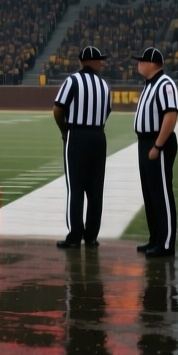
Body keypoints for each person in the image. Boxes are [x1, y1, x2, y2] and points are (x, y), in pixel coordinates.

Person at [54, 46, 113, 249]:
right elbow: (107, 111)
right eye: (100, 60)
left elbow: (57, 109)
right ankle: (91, 236)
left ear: (80, 62)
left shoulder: (72, 81)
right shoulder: (104, 86)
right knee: (95, 189)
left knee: (76, 187)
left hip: (77, 135)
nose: (102, 63)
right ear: (91, 61)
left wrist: (64, 131)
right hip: (98, 136)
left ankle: (74, 235)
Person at [133, 47, 178, 258]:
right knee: (150, 194)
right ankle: (155, 239)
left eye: (141, 61)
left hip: (157, 142)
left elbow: (170, 116)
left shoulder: (165, 84)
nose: (138, 64)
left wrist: (158, 146)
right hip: (146, 142)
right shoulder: (149, 85)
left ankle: (166, 243)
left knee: (161, 193)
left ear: (152, 63)